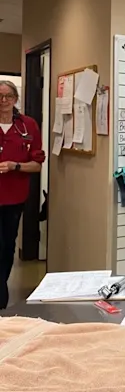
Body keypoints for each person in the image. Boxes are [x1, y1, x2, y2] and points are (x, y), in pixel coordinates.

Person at [0, 80, 45, 310]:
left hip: (13, 199)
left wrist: (14, 165)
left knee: (7, 247)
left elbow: (37, 165)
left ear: (16, 99)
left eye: (8, 96)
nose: (4, 101)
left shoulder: (28, 125)